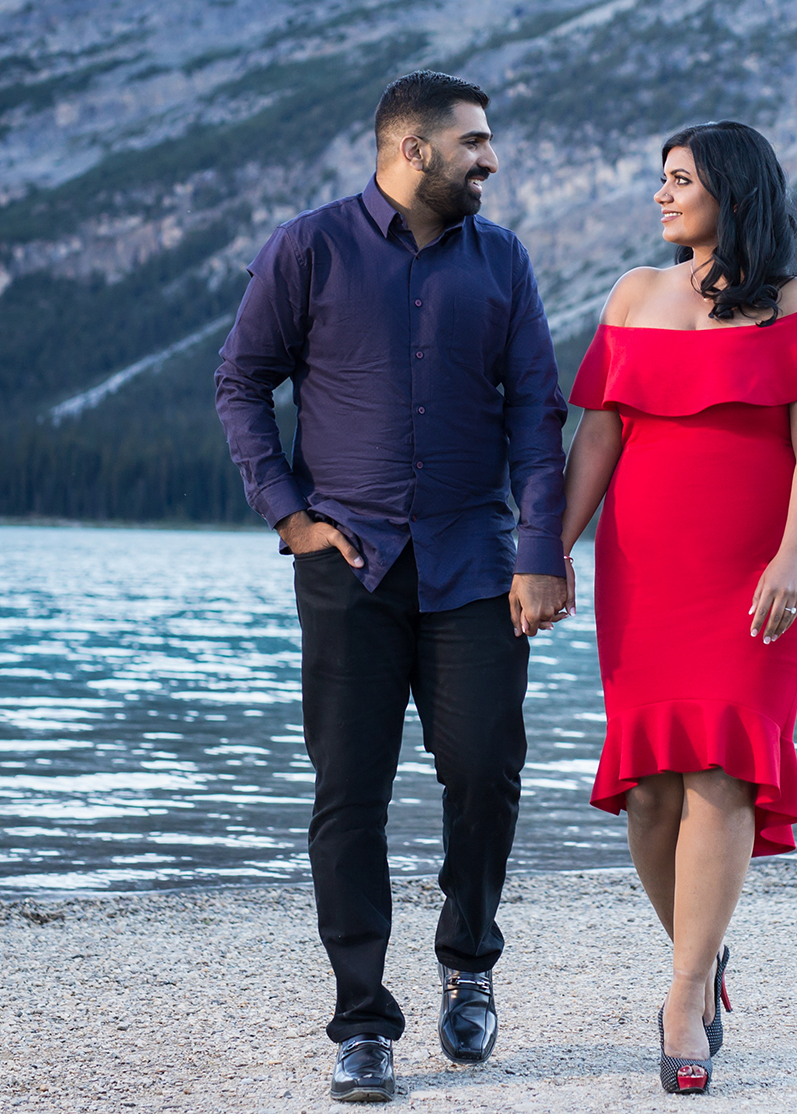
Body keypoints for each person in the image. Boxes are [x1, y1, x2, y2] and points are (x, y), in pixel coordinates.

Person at [213, 69, 574, 1105]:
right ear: (411, 149)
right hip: (350, 563)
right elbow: (241, 379)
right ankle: (363, 1019)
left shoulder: (501, 259)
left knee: (484, 766)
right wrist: (288, 513)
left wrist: (541, 549)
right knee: (349, 789)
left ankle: (468, 954)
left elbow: (535, 417)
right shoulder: (308, 247)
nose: (490, 159)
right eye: (474, 142)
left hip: (475, 564)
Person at [557, 120, 797, 1096]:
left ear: (730, 191)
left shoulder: (796, 303)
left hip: (762, 566)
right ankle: (706, 948)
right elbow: (597, 440)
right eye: (660, 179)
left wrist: (788, 554)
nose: (660, 195)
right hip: (644, 567)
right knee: (649, 786)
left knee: (723, 768)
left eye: (678, 179)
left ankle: (685, 991)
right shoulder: (634, 295)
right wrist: (550, 547)